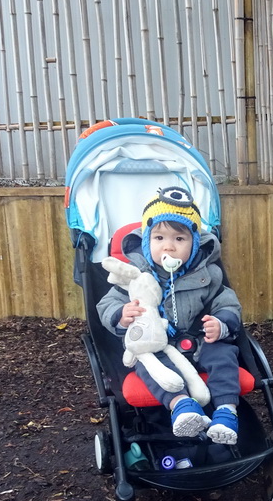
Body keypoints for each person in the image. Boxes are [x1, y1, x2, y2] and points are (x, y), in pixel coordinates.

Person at [97, 187, 242, 444]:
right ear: (146, 241)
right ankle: (182, 406)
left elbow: (228, 304)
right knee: (149, 366)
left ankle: (226, 413)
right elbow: (107, 304)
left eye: (179, 239)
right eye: (159, 238)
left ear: (195, 243)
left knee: (224, 353)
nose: (169, 247)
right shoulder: (134, 276)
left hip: (199, 341)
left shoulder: (207, 274)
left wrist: (221, 323)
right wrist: (121, 315)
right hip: (158, 346)